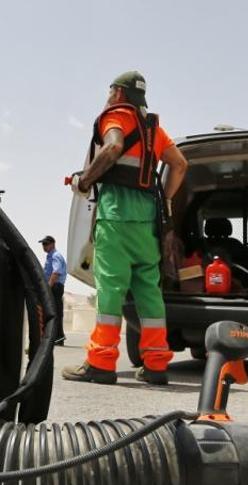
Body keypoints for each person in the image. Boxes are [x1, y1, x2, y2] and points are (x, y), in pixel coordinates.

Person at [62, 71, 188, 386]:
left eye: (109, 91)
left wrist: (85, 180)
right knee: (149, 291)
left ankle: (101, 363)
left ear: (118, 92)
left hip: (116, 217)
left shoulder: (116, 116)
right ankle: (157, 364)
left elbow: (113, 147)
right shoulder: (154, 130)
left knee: (111, 289)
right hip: (147, 222)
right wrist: (167, 200)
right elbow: (180, 164)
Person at [40, 235, 67, 346]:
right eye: (43, 244)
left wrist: (48, 288)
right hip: (54, 286)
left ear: (52, 244)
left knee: (55, 312)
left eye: (46, 244)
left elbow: (56, 272)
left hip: (55, 286)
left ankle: (57, 337)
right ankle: (58, 337)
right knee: (55, 311)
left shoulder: (56, 256)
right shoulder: (50, 256)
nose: (44, 246)